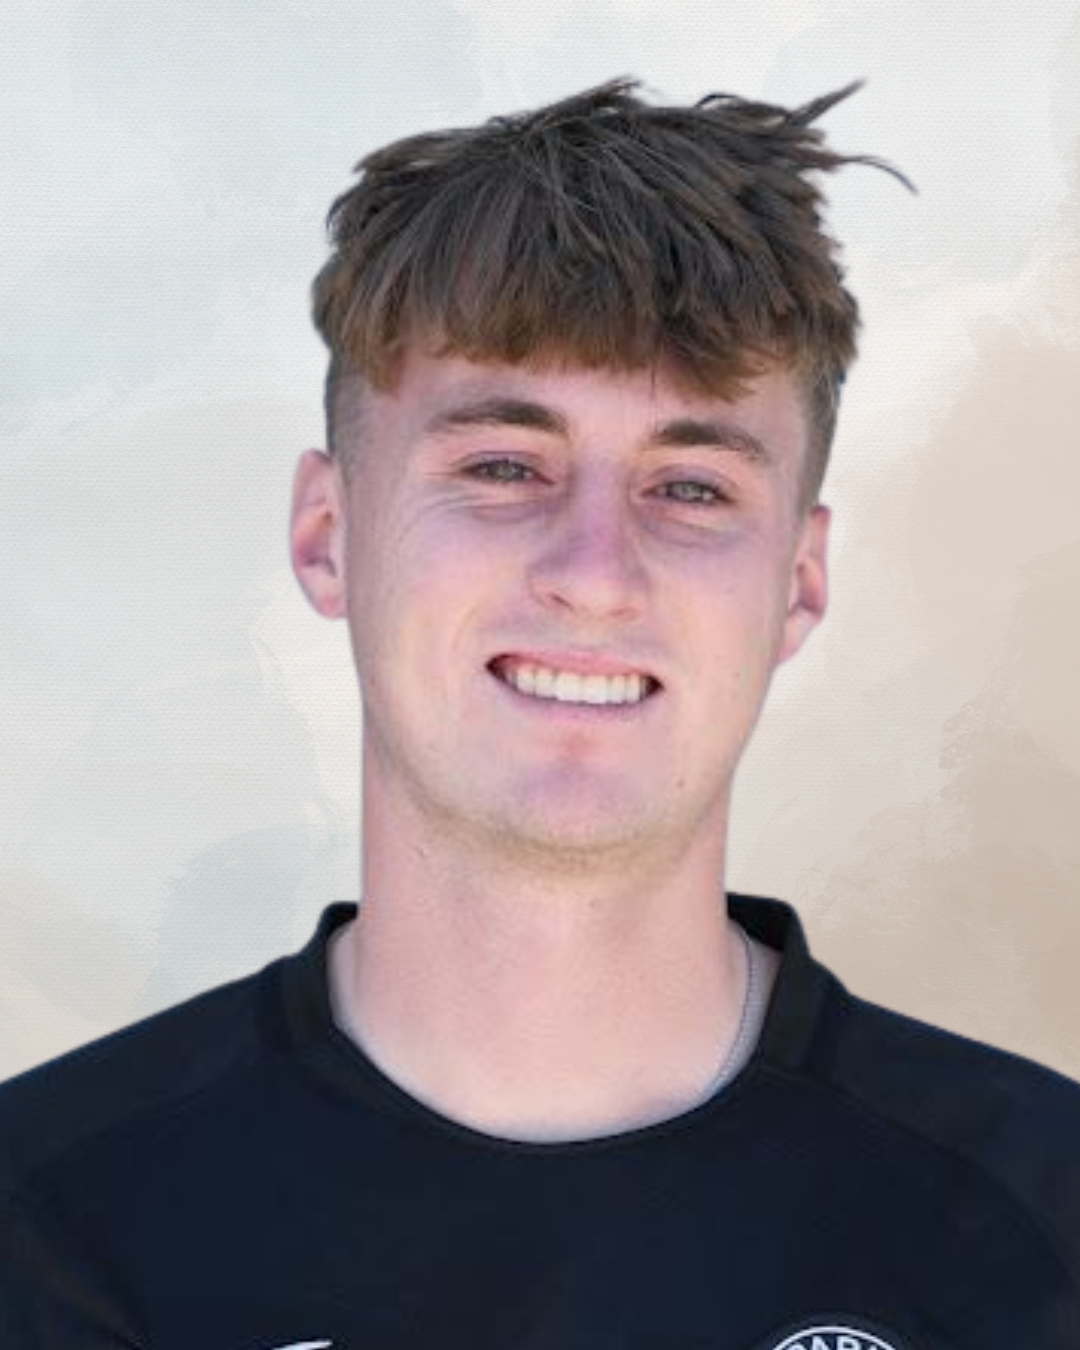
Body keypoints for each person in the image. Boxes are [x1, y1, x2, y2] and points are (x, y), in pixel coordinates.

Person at [1, 76, 1079, 1350]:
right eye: (504, 467)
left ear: (799, 582)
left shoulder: (1042, 1221)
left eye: (690, 486)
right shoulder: (48, 1224)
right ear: (328, 534)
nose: (594, 572)